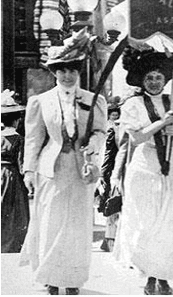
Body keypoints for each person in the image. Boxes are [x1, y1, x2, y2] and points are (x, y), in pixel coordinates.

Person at [19, 29, 107, 295]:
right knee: (51, 222)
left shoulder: (94, 101)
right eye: (62, 70)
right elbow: (33, 139)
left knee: (78, 224)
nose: (67, 75)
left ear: (79, 72)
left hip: (81, 168)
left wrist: (92, 148)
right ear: (54, 72)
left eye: (72, 70)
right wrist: (29, 171)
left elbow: (100, 132)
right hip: (52, 169)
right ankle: (51, 276)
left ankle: (72, 279)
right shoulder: (40, 102)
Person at [113, 45, 173, 295]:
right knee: (146, 220)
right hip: (145, 163)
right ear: (142, 80)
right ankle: (148, 274)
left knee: (170, 220)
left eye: (159, 77)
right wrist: (161, 123)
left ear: (166, 79)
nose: (154, 82)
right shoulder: (133, 105)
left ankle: (163, 276)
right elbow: (136, 138)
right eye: (149, 78)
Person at [1, 90, 30, 253]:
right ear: (18, 121)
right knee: (14, 209)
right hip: (11, 176)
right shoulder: (18, 139)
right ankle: (12, 243)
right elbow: (21, 163)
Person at [99, 102, 121, 252]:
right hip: (114, 171)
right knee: (113, 204)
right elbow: (108, 154)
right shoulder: (112, 129)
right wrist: (104, 173)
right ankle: (110, 239)